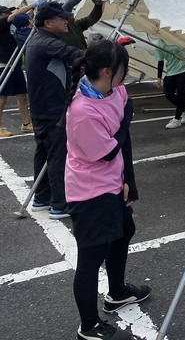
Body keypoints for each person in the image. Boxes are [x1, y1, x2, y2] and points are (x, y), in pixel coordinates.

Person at [65, 39, 150, 340]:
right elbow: (107, 152)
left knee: (124, 232)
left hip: (113, 182)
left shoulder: (115, 90)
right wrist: (126, 118)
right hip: (89, 192)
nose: (125, 79)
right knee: (91, 256)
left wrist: (130, 180)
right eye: (122, 72)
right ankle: (88, 327)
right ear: (105, 70)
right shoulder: (82, 111)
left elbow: (123, 141)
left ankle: (116, 293)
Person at [26, 1, 84, 219]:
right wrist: (109, 49)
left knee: (43, 152)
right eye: (62, 18)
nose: (66, 21)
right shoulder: (48, 42)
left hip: (41, 108)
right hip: (53, 109)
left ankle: (41, 197)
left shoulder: (37, 39)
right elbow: (79, 55)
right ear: (49, 22)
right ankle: (59, 204)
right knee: (58, 155)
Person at [0, 4, 35, 136]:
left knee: (21, 95)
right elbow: (17, 15)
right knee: (2, 98)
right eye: (5, 12)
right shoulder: (1, 23)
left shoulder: (12, 26)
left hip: (15, 64)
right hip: (3, 64)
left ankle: (26, 124)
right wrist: (32, 5)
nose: (9, 13)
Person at [154, 39, 185, 129]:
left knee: (181, 94)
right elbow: (160, 61)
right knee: (168, 94)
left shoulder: (175, 37)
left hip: (184, 69)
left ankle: (177, 119)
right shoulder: (159, 43)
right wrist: (159, 77)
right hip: (171, 71)